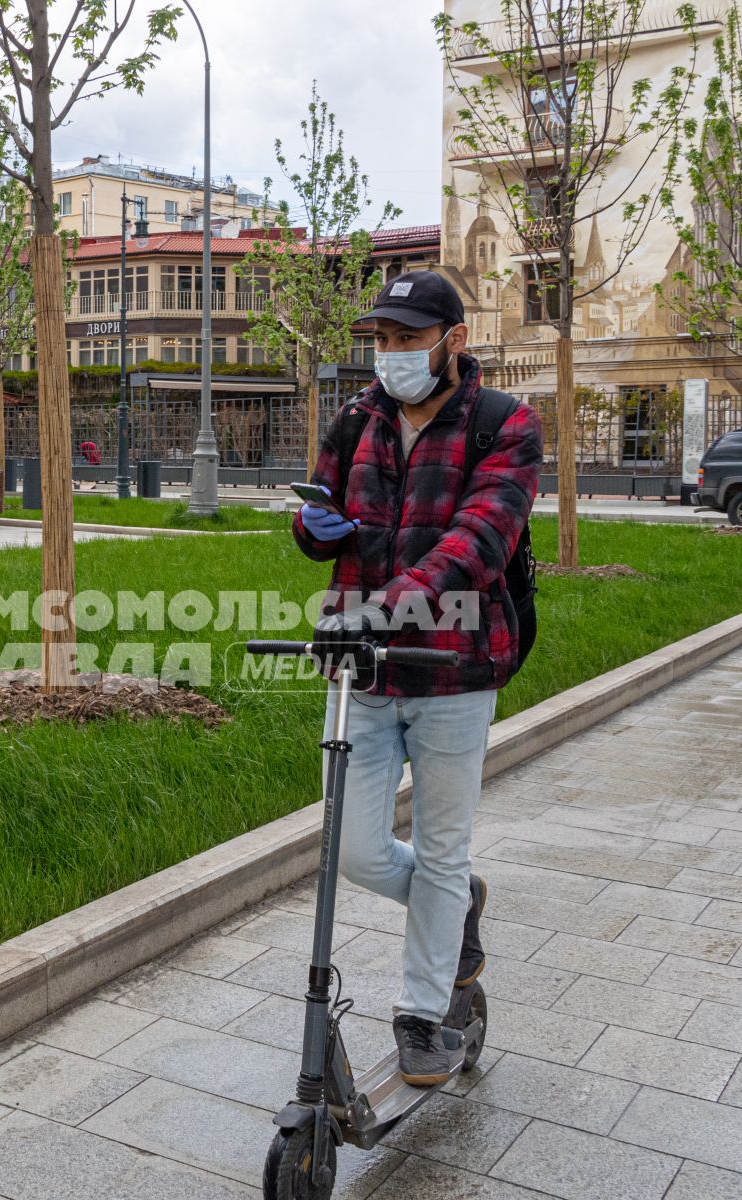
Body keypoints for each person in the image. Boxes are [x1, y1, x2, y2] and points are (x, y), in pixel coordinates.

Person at [292, 271, 542, 1086]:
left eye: (407, 339)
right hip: (362, 669)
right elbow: (322, 509)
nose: (391, 354)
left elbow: (480, 539)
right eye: (383, 339)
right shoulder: (358, 416)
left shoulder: (505, 424)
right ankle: (456, 910)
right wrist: (311, 524)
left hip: (455, 667)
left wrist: (387, 606)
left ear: (453, 340)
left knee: (440, 848)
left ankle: (424, 1013)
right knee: (357, 850)